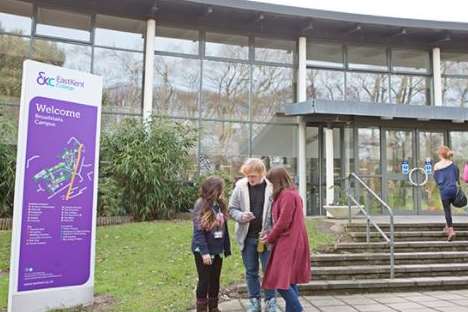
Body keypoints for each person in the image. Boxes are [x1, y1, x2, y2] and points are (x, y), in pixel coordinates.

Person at [228, 158, 277, 312]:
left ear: (262, 173)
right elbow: (232, 208)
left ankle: (270, 301)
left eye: (253, 176)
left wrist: (271, 232)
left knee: (268, 271)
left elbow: (277, 212)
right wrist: (241, 216)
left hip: (266, 238)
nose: (250, 179)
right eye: (248, 176)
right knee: (251, 271)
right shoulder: (240, 187)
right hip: (247, 237)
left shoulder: (272, 188)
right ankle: (254, 301)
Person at [261, 167, 311, 312]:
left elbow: (283, 222)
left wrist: (269, 237)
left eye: (270, 183)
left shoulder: (287, 195)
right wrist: (270, 234)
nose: (269, 186)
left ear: (276, 181)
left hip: (289, 243)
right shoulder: (291, 194)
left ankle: (298, 309)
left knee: (278, 280)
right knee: (290, 280)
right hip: (293, 240)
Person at [192, 176, 231, 312]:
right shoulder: (200, 205)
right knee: (204, 280)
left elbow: (224, 228)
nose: (222, 192)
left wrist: (225, 248)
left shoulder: (219, 204)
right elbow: (198, 232)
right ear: (214, 190)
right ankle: (201, 308)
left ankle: (213, 307)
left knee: (215, 280)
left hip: (217, 250)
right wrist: (204, 253)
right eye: (221, 189)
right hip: (204, 251)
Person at [434, 145, 460, 241]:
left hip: (444, 190)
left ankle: (451, 230)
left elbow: (437, 179)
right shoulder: (453, 164)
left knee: (447, 210)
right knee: (449, 208)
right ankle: (446, 226)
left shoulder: (437, 166)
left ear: (440, 154)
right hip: (453, 189)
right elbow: (457, 176)